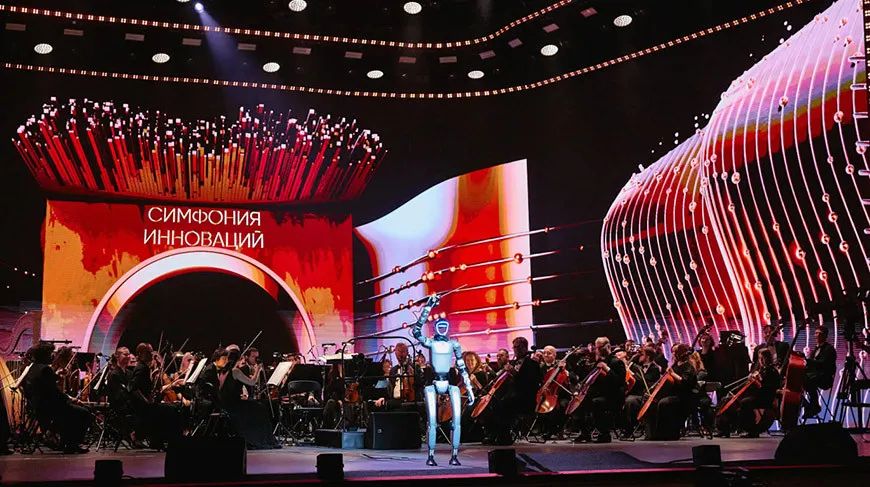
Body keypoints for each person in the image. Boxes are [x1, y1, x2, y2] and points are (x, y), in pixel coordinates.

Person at [411, 294, 475, 466]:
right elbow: (416, 332)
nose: (442, 328)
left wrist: (469, 388)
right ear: (435, 328)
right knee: (432, 421)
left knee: (457, 421)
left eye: (444, 326)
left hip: (449, 382)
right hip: (433, 384)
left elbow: (461, 366)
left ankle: (454, 454)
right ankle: (431, 455)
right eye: (439, 326)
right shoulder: (430, 342)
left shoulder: (453, 344)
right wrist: (428, 306)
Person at [21, 342, 90, 453]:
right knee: (84, 413)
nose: (52, 356)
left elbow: (45, 386)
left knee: (72, 410)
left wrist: (56, 376)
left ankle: (64, 442)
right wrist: (71, 399)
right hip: (49, 408)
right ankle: (72, 444)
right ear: (44, 355)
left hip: (37, 406)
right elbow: (54, 393)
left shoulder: (33, 368)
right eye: (50, 353)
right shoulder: (45, 369)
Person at [129, 343, 183, 450]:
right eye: (148, 352)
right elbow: (133, 388)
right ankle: (170, 441)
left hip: (144, 405)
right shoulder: (142, 368)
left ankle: (158, 441)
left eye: (151, 351)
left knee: (170, 407)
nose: (151, 354)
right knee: (172, 409)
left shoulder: (145, 367)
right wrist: (146, 401)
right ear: (140, 353)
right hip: (141, 407)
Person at [716, 347, 779, 437]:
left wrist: (758, 380)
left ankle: (751, 430)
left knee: (745, 402)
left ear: (768, 358)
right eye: (760, 358)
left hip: (764, 398)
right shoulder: (761, 370)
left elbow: (767, 388)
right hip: (756, 395)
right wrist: (752, 379)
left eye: (764, 358)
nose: (761, 360)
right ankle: (724, 429)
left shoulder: (772, 371)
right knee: (726, 400)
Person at [573, 337, 625, 443]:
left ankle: (604, 434)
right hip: (600, 394)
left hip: (613, 397)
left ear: (608, 346)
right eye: (596, 347)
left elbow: (619, 382)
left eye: (600, 347)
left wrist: (607, 368)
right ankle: (585, 433)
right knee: (578, 402)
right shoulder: (599, 362)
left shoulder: (617, 362)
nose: (598, 350)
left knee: (596, 402)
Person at [644, 343, 697, 440]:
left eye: (675, 352)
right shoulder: (675, 365)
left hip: (683, 397)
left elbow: (684, 382)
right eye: (672, 352)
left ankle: (669, 433)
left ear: (680, 353)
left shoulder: (688, 367)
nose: (673, 354)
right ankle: (653, 433)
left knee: (664, 403)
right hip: (672, 394)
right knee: (653, 402)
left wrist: (672, 373)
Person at [623, 346, 661, 435]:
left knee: (630, 401)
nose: (639, 356)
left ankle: (630, 429)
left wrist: (631, 373)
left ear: (647, 356)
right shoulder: (639, 366)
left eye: (641, 354)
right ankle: (626, 427)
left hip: (646, 396)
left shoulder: (654, 369)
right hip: (638, 394)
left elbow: (644, 382)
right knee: (625, 399)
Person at [803, 325, 836, 418]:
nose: (816, 335)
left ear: (824, 335)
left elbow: (823, 364)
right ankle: (807, 405)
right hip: (815, 375)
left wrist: (807, 360)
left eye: (818, 333)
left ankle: (814, 406)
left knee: (807, 379)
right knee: (796, 378)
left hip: (824, 377)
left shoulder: (829, 349)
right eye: (815, 333)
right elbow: (811, 364)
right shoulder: (816, 348)